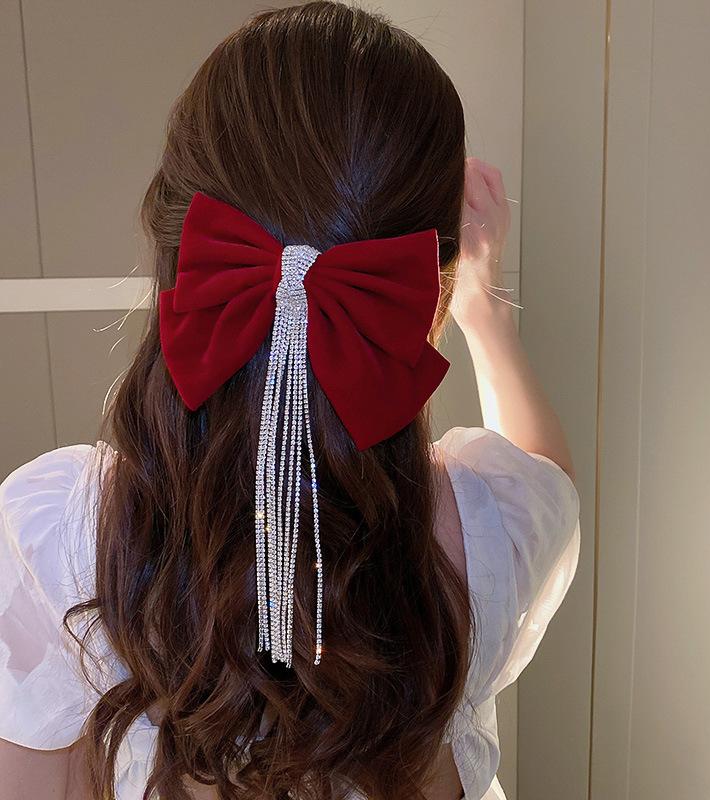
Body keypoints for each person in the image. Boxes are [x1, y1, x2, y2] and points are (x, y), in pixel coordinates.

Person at [0, 4, 580, 799]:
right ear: (426, 280)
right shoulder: (487, 532)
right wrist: (486, 316)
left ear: (177, 245)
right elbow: (546, 474)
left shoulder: (57, 542)